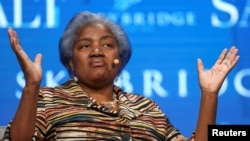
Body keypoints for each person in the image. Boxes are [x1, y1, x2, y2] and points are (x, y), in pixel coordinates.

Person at [2, 11, 239, 141]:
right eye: (85, 46)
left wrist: (209, 95)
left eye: (107, 45)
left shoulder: (147, 108)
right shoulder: (47, 100)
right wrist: (32, 85)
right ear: (71, 62)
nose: (96, 51)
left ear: (120, 58)